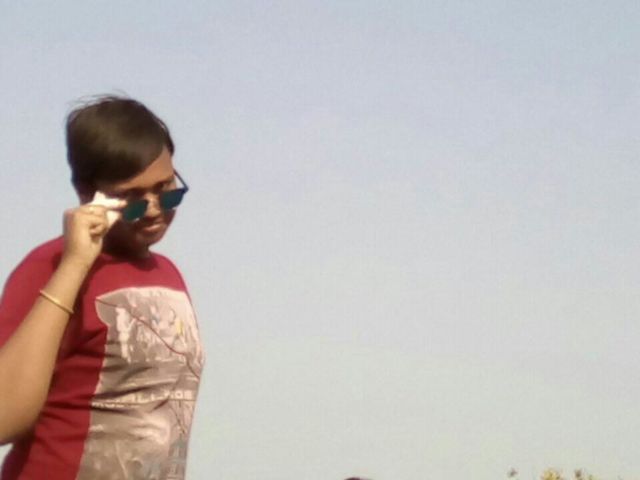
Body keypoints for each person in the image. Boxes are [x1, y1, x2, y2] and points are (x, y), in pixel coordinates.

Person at [0, 96, 204, 479]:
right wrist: (75, 265)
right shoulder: (49, 267)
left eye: (166, 190)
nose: (154, 209)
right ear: (87, 194)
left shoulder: (169, 275)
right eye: (132, 200)